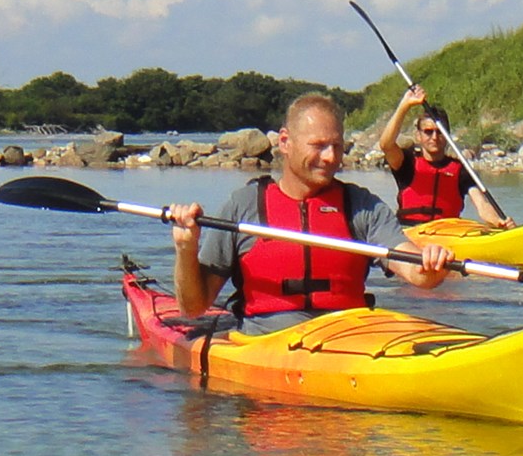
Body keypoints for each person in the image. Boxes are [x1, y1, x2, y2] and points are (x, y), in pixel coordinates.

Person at [165, 93, 457, 328]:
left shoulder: (361, 206)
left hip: (346, 335)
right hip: (265, 342)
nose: (330, 157)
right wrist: (185, 248)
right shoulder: (244, 205)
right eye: (318, 146)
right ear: (285, 142)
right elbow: (193, 307)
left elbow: (420, 276)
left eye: (337, 146)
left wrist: (432, 261)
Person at [376, 83, 507, 227]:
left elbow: (482, 205)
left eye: (440, 132)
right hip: (410, 231)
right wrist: (405, 105)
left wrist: (498, 222)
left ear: (447, 136)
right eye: (428, 131)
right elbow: (386, 145)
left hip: (446, 234)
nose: (434, 137)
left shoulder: (461, 170)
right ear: (418, 136)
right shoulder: (406, 163)